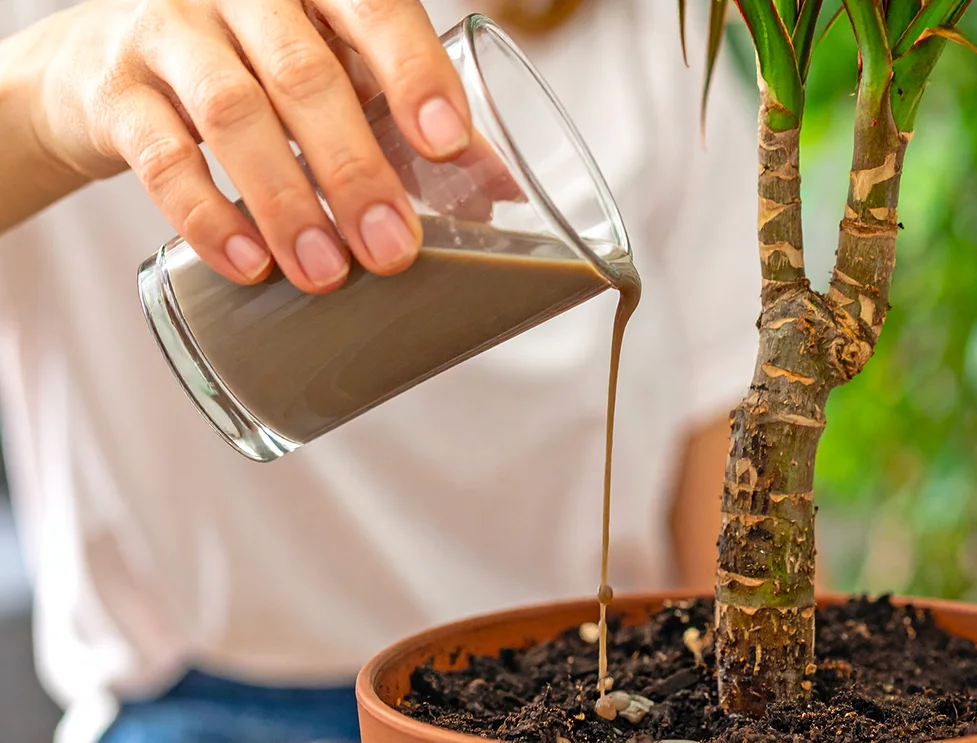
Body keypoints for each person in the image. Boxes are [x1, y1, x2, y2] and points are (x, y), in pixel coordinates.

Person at [0, 1, 761, 741]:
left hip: (593, 686)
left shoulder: (651, 38)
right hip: (213, 708)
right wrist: (47, 96)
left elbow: (734, 511)